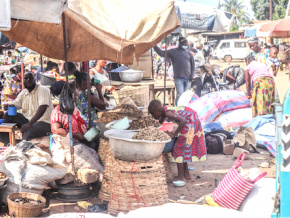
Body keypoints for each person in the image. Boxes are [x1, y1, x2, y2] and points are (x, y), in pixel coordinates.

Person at [148, 100, 207, 182]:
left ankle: (181, 177)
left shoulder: (168, 113)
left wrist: (174, 134)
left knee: (178, 149)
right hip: (192, 120)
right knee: (183, 150)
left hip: (190, 122)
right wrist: (156, 123)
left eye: (153, 114)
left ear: (158, 111)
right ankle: (186, 174)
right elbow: (161, 121)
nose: (153, 116)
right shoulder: (164, 112)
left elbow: (183, 121)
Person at [50, 81, 99, 151]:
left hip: (81, 140)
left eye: (77, 95)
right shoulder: (57, 111)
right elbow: (56, 130)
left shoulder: (74, 109)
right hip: (69, 143)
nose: (76, 98)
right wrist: (75, 135)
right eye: (74, 96)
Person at [3, 71, 53, 140]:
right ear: (23, 81)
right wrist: (9, 106)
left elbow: (43, 107)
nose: (28, 80)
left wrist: (29, 124)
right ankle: (6, 143)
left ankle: (21, 148)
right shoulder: (23, 92)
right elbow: (15, 104)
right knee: (7, 115)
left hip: (44, 123)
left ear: (34, 79)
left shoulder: (42, 90)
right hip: (29, 121)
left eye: (30, 78)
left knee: (30, 130)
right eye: (26, 78)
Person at [154, 37, 195, 104]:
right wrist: (154, 46)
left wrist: (192, 75)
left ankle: (185, 109)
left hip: (188, 78)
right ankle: (178, 109)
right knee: (180, 95)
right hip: (179, 78)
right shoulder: (173, 51)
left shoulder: (189, 53)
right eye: (185, 43)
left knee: (187, 96)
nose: (186, 44)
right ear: (181, 43)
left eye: (186, 43)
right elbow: (161, 53)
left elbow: (193, 65)